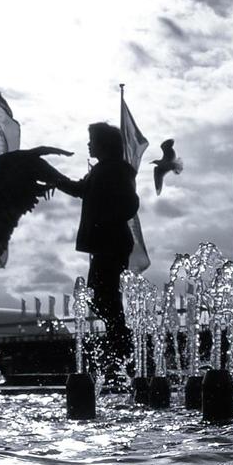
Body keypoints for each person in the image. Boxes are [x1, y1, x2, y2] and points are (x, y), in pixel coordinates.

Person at [50, 122, 140, 368]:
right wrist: (53, 177)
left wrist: (105, 222)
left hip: (112, 243)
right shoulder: (102, 170)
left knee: (104, 298)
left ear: (104, 144)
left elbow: (131, 203)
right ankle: (123, 351)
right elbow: (80, 189)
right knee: (102, 298)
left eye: (92, 140)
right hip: (107, 243)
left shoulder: (115, 170)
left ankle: (125, 352)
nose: (89, 144)